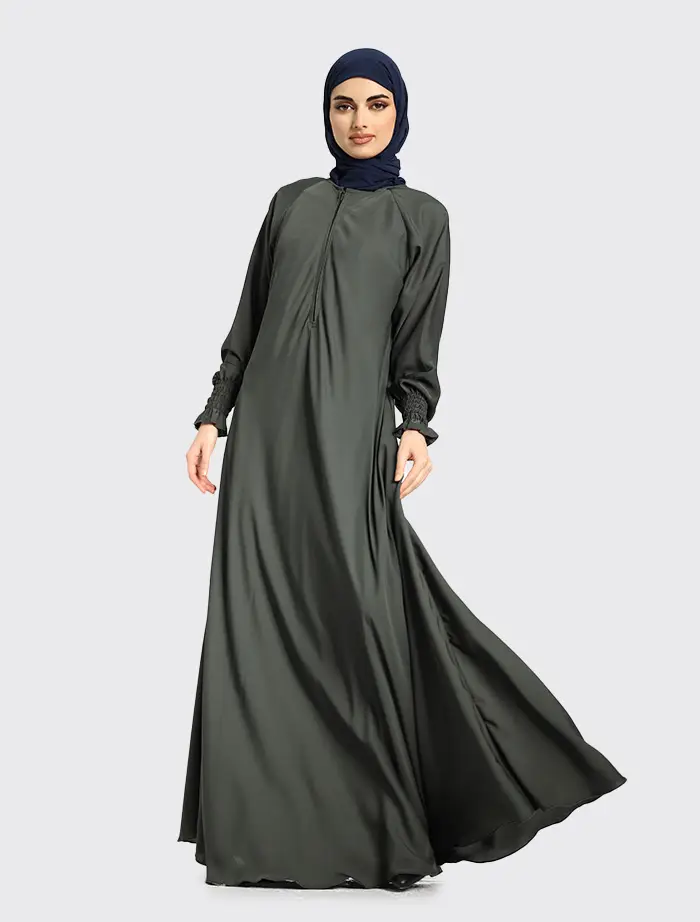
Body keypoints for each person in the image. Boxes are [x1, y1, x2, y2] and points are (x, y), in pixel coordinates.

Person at [177, 47, 627, 892]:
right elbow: (248, 320)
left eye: (376, 104)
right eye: (343, 104)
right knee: (255, 625)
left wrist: (415, 426)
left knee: (364, 613)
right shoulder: (290, 203)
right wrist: (213, 414)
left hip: (350, 436)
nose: (359, 120)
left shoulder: (424, 218)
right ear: (326, 113)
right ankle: (264, 836)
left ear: (400, 112)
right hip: (263, 442)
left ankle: (389, 826)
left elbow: (418, 343)